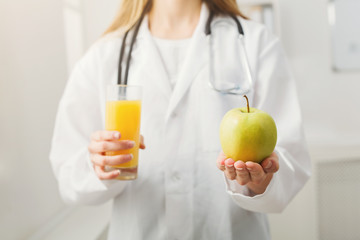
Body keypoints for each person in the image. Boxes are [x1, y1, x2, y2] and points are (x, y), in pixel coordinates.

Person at [50, 0, 311, 239]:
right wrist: (101, 165)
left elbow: (292, 160)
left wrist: (263, 181)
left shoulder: (255, 42)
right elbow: (67, 172)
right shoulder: (105, 55)